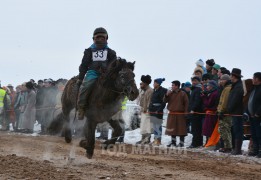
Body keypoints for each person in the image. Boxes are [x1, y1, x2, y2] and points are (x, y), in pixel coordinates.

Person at [77, 27, 117, 120]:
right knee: (86, 86)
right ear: (93, 39)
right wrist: (80, 78)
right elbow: (83, 65)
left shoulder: (111, 52)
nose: (100, 40)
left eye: (102, 38)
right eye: (98, 38)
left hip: (106, 75)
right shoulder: (89, 51)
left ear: (106, 38)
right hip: (93, 73)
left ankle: (115, 108)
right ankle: (81, 107)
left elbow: (115, 66)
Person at [164, 80, 189, 147]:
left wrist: (186, 113)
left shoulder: (183, 93)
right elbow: (164, 101)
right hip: (172, 113)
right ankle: (173, 142)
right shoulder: (170, 93)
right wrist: (166, 95)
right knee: (172, 129)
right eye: (172, 85)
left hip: (180, 114)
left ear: (177, 86)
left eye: (173, 85)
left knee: (181, 129)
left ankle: (181, 143)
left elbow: (186, 104)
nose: (172, 86)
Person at [227, 68, 244, 155]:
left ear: (234, 76)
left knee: (238, 130)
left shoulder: (238, 87)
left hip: (237, 112)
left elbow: (235, 100)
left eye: (231, 75)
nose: (230, 77)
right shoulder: (236, 85)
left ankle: (238, 149)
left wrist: (229, 109)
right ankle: (236, 148)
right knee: (236, 129)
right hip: (235, 112)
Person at [244, 72, 261, 157]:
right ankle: (255, 150)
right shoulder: (254, 89)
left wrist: (258, 113)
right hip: (252, 116)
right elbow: (250, 102)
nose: (252, 79)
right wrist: (247, 112)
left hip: (258, 117)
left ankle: (260, 151)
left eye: (253, 78)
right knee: (253, 134)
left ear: (258, 79)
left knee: (259, 134)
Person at [217, 74, 233, 153]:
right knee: (226, 130)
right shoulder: (226, 88)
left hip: (224, 113)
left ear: (226, 80)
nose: (221, 81)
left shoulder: (227, 89)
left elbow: (224, 101)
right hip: (225, 112)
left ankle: (227, 147)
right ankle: (228, 146)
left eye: (222, 80)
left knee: (224, 130)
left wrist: (221, 111)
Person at [149, 78, 167, 146]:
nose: (153, 84)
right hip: (153, 109)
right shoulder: (154, 90)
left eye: (154, 83)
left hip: (158, 110)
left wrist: (159, 110)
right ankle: (155, 139)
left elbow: (164, 102)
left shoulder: (162, 91)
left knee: (158, 125)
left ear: (158, 83)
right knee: (154, 126)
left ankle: (158, 140)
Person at [136, 75, 153, 145]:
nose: (141, 84)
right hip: (142, 110)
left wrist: (147, 109)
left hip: (147, 111)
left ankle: (147, 140)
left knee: (147, 126)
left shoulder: (150, 91)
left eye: (142, 83)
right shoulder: (142, 90)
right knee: (143, 126)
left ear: (146, 83)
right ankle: (143, 139)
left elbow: (150, 101)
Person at [201, 80, 219, 145]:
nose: (207, 87)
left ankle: (209, 143)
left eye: (208, 85)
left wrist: (204, 97)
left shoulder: (214, 94)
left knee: (209, 129)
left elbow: (208, 104)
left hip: (211, 114)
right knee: (207, 129)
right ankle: (207, 142)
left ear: (212, 86)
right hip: (210, 113)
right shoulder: (212, 93)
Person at [188, 76, 203, 148]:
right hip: (194, 112)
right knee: (195, 128)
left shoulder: (198, 89)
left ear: (199, 81)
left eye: (195, 81)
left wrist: (193, 109)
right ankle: (198, 143)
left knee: (196, 129)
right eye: (193, 81)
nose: (193, 82)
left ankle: (195, 143)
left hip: (196, 112)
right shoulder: (194, 89)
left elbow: (197, 101)